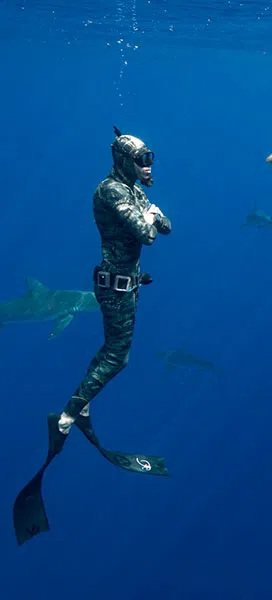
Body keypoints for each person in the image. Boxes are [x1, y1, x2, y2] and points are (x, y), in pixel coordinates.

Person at [13, 127, 172, 546]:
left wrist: (154, 215)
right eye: (142, 159)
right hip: (115, 285)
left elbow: (164, 226)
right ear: (123, 159)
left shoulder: (132, 188)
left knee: (115, 353)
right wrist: (152, 217)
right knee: (116, 356)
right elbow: (149, 233)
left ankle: (80, 404)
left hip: (131, 283)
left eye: (150, 157)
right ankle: (70, 414)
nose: (148, 165)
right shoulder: (112, 192)